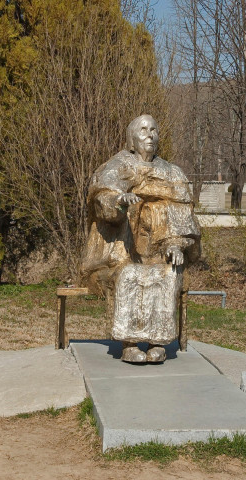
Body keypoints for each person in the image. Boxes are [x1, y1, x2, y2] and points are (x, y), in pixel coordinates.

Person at [80, 115, 200, 363]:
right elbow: (102, 196)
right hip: (123, 252)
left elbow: (181, 214)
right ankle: (130, 344)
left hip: (159, 251)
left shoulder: (171, 172)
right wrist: (119, 202)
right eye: (143, 129)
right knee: (129, 275)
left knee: (168, 273)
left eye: (154, 129)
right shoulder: (118, 166)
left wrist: (176, 244)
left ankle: (158, 343)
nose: (150, 134)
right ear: (132, 140)